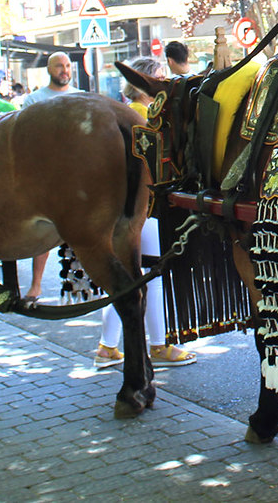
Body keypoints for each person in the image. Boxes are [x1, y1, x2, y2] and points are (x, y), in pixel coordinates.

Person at [95, 57, 193, 368]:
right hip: (145, 207)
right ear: (146, 85)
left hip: (130, 206)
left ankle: (107, 346)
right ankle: (159, 344)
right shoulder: (143, 117)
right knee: (149, 277)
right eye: (161, 79)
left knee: (128, 276)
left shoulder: (129, 113)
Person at [20, 53, 76, 299]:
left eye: (67, 66)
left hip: (77, 175)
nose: (64, 70)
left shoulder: (81, 97)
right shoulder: (34, 100)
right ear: (49, 69)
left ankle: (84, 285)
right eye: (59, 66)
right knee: (44, 232)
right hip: (46, 177)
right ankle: (36, 285)